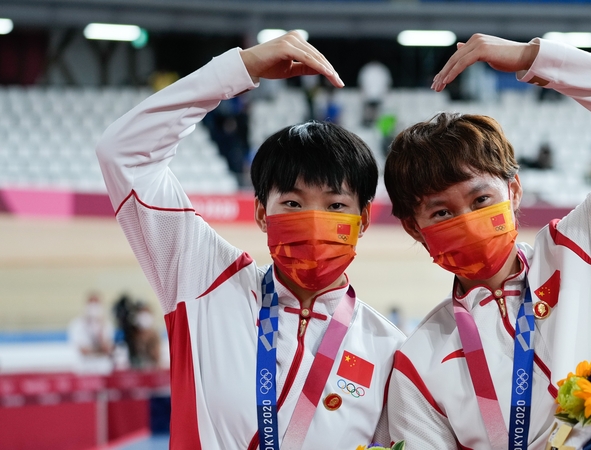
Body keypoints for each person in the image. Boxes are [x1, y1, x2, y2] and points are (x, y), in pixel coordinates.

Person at [96, 31, 405, 449]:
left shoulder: (389, 348)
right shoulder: (202, 279)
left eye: (335, 206)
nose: (313, 222)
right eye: (293, 204)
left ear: (363, 219)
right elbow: (123, 153)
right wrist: (239, 68)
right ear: (262, 213)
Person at [383, 34, 591, 450]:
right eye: (442, 213)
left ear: (513, 192)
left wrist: (536, 58)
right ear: (413, 229)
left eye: (480, 199)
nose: (468, 222)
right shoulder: (418, 361)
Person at [68, 292, 114, 374]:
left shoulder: (107, 325)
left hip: (103, 368)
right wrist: (99, 350)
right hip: (84, 368)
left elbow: (107, 349)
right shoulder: (77, 325)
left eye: (96, 304)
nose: (94, 307)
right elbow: (83, 351)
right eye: (91, 303)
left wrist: (101, 331)